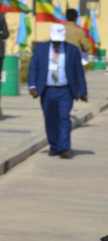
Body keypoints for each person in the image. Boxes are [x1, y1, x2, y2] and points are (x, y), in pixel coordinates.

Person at [28, 23, 88, 159]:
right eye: (55, 40)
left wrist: (83, 91)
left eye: (59, 40)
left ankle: (65, 148)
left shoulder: (72, 50)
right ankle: (54, 146)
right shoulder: (41, 49)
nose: (57, 43)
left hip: (65, 91)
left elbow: (79, 71)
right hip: (47, 90)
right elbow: (33, 68)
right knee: (50, 118)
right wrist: (32, 86)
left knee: (64, 118)